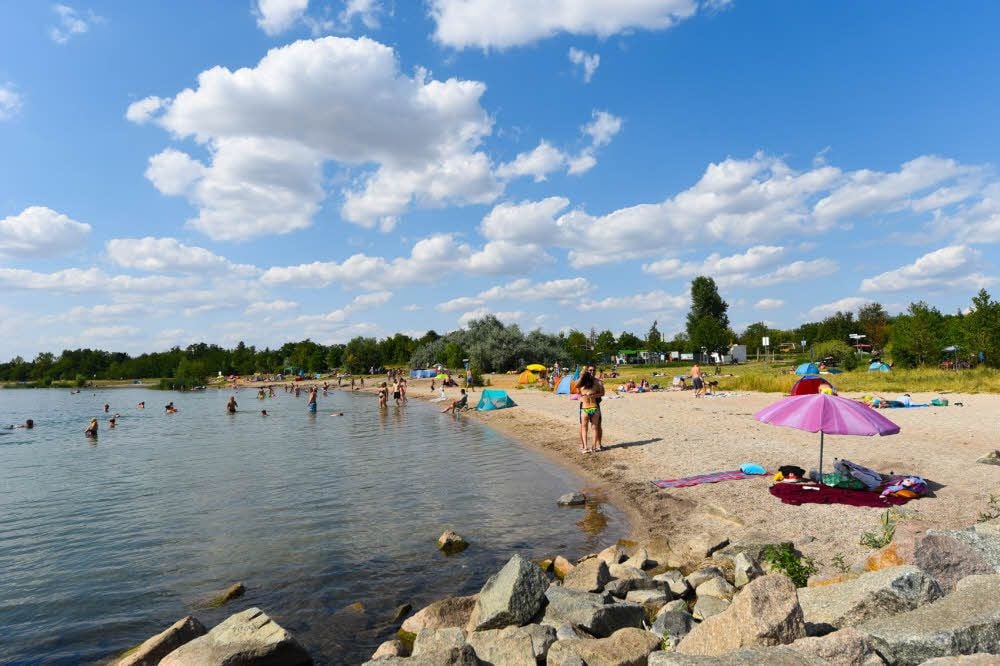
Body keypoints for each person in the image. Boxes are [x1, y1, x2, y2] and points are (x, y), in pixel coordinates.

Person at [578, 370, 603, 453]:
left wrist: (581, 377)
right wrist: (593, 395)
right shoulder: (595, 385)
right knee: (594, 428)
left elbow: (576, 389)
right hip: (594, 407)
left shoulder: (581, 387)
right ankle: (594, 447)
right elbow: (601, 392)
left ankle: (585, 447)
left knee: (584, 428)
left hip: (585, 408)